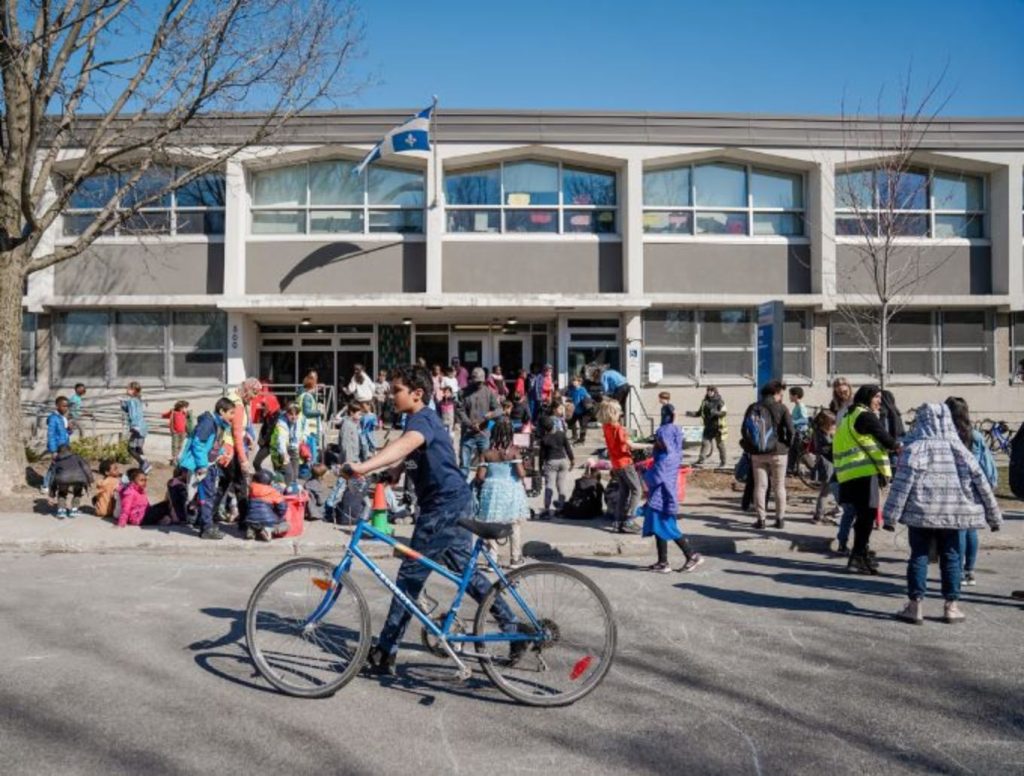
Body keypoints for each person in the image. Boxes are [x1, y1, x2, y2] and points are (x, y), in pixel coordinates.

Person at [343, 364, 519, 676]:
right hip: (452, 502)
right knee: (465, 571)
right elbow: (412, 452)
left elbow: (407, 443)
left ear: (417, 393)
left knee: (409, 578)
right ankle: (513, 627)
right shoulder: (419, 419)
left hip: (443, 508)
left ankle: (385, 652)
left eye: (397, 391)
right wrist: (394, 472)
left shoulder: (421, 420)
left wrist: (364, 466)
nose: (392, 396)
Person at [884, 402, 1002, 624]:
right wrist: (993, 517)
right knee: (952, 557)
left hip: (921, 513)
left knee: (918, 556)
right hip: (955, 514)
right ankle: (951, 607)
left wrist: (890, 517)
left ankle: (915, 606)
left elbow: (901, 485)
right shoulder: (960, 450)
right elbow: (982, 483)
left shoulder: (914, 449)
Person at [833, 384, 901, 574]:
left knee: (862, 516)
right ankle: (857, 556)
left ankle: (861, 554)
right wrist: (898, 447)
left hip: (849, 474)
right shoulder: (865, 415)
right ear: (867, 397)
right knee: (867, 517)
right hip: (864, 472)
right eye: (876, 397)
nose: (880, 401)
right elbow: (885, 437)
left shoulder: (849, 415)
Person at [945, 396, 997, 587]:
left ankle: (957, 571)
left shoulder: (947, 436)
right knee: (971, 529)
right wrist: (990, 485)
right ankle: (970, 571)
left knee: (958, 529)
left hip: (953, 487)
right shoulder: (975, 435)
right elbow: (986, 463)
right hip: (974, 487)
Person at [641, 421, 703, 573]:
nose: (657, 441)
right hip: (664, 497)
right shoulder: (673, 453)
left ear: (667, 440)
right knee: (659, 528)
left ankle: (691, 555)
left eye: (660, 438)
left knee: (668, 527)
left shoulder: (665, 458)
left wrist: (643, 472)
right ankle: (663, 562)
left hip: (662, 498)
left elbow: (655, 478)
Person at [740, 380, 794, 530]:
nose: (781, 397)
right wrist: (787, 446)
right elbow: (791, 431)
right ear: (775, 393)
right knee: (779, 486)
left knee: (760, 486)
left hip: (758, 453)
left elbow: (744, 430)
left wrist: (752, 446)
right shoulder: (782, 408)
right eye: (781, 394)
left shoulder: (753, 407)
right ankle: (780, 519)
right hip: (778, 452)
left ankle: (761, 520)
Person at [182, 397, 237, 541]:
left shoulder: (218, 424)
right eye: (231, 413)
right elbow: (198, 444)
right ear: (222, 411)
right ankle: (206, 528)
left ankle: (205, 522)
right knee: (206, 496)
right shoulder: (208, 422)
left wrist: (220, 453)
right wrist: (202, 465)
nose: (233, 416)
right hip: (204, 466)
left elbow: (213, 444)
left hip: (210, 464)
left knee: (210, 495)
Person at [476, 425, 529, 568]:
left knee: (490, 523)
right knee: (514, 523)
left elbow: (480, 476)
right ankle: (515, 558)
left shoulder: (487, 453)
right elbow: (521, 474)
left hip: (491, 489)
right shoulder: (514, 452)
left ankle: (492, 560)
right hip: (511, 489)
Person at [597, 399, 649, 533]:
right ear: (613, 412)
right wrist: (650, 445)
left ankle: (618, 520)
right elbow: (631, 445)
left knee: (624, 492)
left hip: (616, 463)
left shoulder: (606, 426)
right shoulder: (618, 428)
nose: (621, 412)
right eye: (619, 410)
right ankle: (629, 520)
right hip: (625, 463)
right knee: (637, 490)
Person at [455, 367, 502, 478]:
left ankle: (481, 485)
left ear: (484, 380)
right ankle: (463, 487)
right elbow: (460, 411)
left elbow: (499, 409)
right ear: (471, 380)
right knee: (464, 466)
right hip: (468, 433)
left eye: (480, 382)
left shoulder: (489, 392)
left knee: (485, 465)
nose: (478, 384)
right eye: (476, 382)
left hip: (483, 433)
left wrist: (491, 415)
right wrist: (470, 424)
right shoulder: (463, 393)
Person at [538, 414, 574, 516]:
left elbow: (542, 455)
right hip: (563, 461)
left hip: (551, 462)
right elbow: (568, 448)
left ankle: (547, 509)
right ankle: (561, 507)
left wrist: (540, 467)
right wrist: (572, 460)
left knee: (549, 485)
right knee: (561, 485)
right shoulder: (561, 434)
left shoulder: (544, 439)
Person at [49, 444, 93, 519]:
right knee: (77, 492)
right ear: (70, 450)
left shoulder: (57, 461)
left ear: (58, 452)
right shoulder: (77, 457)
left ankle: (61, 510)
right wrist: (90, 480)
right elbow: (86, 468)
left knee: (62, 493)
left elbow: (52, 476)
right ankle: (74, 510)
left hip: (63, 480)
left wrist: (51, 494)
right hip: (78, 479)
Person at [810, 410, 839, 524]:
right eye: (832, 423)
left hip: (826, 463)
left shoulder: (818, 432)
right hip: (827, 464)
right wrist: (834, 435)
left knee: (825, 491)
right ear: (826, 424)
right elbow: (829, 447)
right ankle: (818, 516)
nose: (834, 426)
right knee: (825, 491)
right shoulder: (822, 434)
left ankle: (819, 514)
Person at [689, 386, 727, 468]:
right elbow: (700, 412)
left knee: (720, 445)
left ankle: (723, 462)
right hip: (708, 427)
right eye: (708, 391)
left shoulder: (720, 401)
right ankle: (701, 460)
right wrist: (691, 414)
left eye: (711, 391)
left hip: (717, 427)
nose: (709, 392)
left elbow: (724, 413)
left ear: (715, 392)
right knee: (704, 443)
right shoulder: (705, 401)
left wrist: (716, 412)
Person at [246, 470, 288, 541]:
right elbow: (282, 507)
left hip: (250, 519)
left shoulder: (252, 488)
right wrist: (279, 516)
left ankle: (251, 530)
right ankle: (268, 530)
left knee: (255, 521)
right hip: (267, 521)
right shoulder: (272, 491)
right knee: (286, 525)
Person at [42, 395, 71, 494]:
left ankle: (60, 483)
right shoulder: (53, 418)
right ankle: (46, 485)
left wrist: (69, 430)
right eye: (63, 406)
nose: (66, 408)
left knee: (63, 465)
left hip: (65, 446)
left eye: (67, 406)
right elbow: (51, 435)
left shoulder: (63, 418)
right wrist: (54, 450)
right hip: (58, 447)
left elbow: (64, 433)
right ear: (57, 406)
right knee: (54, 466)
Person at [120, 382, 151, 474]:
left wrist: (134, 425)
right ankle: (144, 468)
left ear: (133, 390)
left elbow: (133, 414)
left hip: (137, 427)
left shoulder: (132, 400)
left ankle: (144, 463)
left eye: (128, 388)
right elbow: (128, 410)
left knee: (130, 449)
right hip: (143, 427)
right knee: (138, 448)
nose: (126, 390)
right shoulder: (137, 400)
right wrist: (122, 403)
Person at [297, 374, 323, 479]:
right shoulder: (307, 396)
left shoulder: (302, 395)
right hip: (308, 430)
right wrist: (319, 412)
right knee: (309, 453)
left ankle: (305, 473)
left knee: (305, 452)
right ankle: (307, 474)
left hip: (305, 429)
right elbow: (307, 412)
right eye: (315, 385)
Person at [270, 403, 302, 487]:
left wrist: (297, 447)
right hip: (278, 450)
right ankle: (282, 491)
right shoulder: (281, 424)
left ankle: (292, 490)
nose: (294, 417)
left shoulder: (298, 420)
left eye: (296, 414)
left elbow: (298, 435)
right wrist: (284, 455)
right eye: (291, 414)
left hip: (292, 447)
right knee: (288, 473)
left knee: (295, 474)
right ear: (286, 413)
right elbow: (281, 441)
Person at [565, 375, 593, 445]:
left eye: (575, 381)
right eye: (572, 381)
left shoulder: (582, 390)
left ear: (579, 382)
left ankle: (581, 440)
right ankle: (574, 436)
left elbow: (588, 398)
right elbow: (569, 397)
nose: (573, 382)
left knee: (583, 425)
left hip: (583, 411)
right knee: (571, 422)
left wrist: (587, 401)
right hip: (575, 410)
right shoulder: (571, 390)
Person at [787, 387, 809, 475]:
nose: (789, 397)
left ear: (795, 396)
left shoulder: (801, 406)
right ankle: (792, 469)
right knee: (793, 451)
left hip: (800, 433)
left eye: (790, 395)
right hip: (797, 432)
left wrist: (793, 422)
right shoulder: (796, 406)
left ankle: (796, 469)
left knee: (798, 452)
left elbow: (805, 420)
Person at [162, 400, 191, 466]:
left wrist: (188, 414)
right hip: (175, 432)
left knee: (180, 445)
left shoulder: (185, 413)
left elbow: (189, 420)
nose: (185, 409)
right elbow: (165, 415)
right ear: (180, 407)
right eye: (184, 407)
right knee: (175, 445)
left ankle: (176, 457)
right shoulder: (173, 412)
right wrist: (164, 415)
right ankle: (174, 458)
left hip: (183, 432)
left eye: (186, 408)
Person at [337, 402, 364, 467]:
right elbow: (345, 444)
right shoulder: (348, 425)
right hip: (350, 459)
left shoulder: (353, 424)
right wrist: (349, 461)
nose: (361, 416)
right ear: (352, 413)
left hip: (354, 457)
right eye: (359, 414)